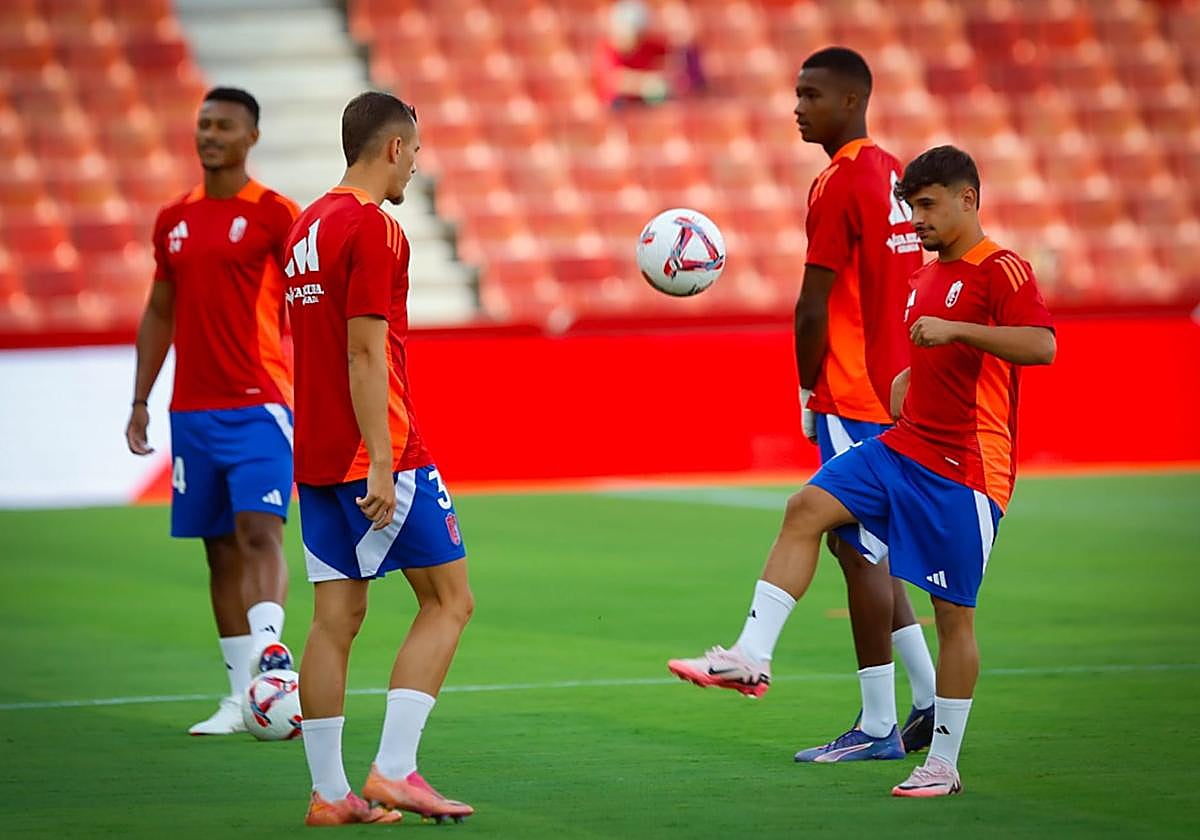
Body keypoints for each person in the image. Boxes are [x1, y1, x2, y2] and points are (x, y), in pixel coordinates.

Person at [668, 145, 1056, 797]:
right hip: (905, 446)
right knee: (806, 509)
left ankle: (943, 763)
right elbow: (930, 352)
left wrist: (958, 331)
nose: (918, 218)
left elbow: (1041, 345)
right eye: (912, 206)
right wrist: (911, 377)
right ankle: (750, 656)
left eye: (928, 204)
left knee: (953, 615)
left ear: (969, 198)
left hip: (966, 470)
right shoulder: (929, 277)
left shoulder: (1003, 269)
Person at [672, 47, 938, 763]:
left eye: (811, 94)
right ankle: (926, 701)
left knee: (849, 548)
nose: (798, 106)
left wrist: (804, 386)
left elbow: (812, 303)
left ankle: (875, 721)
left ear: (851, 101)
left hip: (852, 393)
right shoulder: (895, 177)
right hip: (892, 390)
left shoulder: (839, 181)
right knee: (863, 549)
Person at [286, 92, 475, 827]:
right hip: (379, 452)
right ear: (392, 147)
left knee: (335, 619)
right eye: (416, 151)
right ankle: (394, 771)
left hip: (315, 452)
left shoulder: (307, 226)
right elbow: (365, 351)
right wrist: (382, 461)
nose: (417, 166)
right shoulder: (374, 228)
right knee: (449, 600)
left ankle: (330, 794)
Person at [125, 87, 298, 736]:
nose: (210, 135)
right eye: (203, 125)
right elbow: (159, 312)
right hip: (191, 411)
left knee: (261, 532)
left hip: (259, 405)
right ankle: (239, 698)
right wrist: (141, 399)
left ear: (251, 136)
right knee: (218, 552)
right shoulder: (172, 219)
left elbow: (310, 305)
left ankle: (272, 660)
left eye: (224, 125)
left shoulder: (278, 215)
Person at [594, 0, 704, 108]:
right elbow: (615, 79)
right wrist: (645, 83)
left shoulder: (648, 46)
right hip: (619, 109)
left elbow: (675, 51)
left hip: (643, 107)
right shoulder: (607, 49)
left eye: (638, 33)